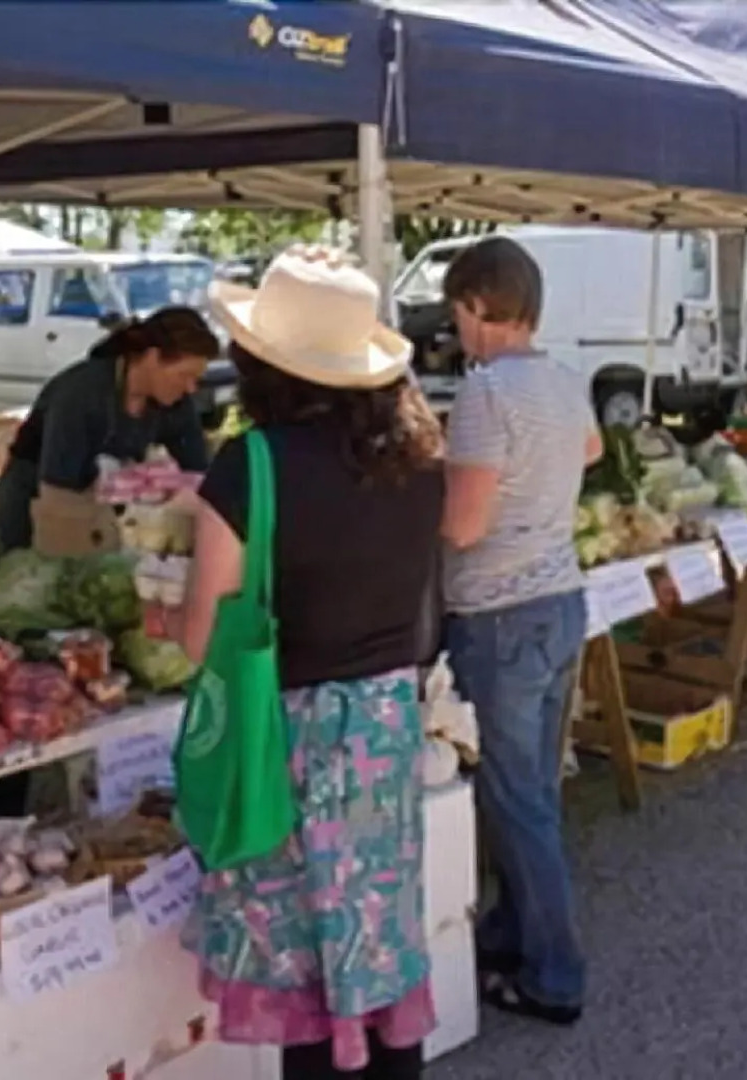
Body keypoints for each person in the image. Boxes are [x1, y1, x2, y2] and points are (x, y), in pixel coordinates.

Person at [181, 247, 445, 1079]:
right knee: (377, 945)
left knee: (301, 971)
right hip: (384, 729)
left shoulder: (250, 465)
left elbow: (201, 639)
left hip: (284, 738)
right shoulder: (418, 460)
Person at [438, 237, 600, 1025]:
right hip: (560, 599)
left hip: (497, 611)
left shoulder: (484, 394)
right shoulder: (564, 382)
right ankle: (513, 926)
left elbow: (463, 527)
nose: (455, 328)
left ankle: (553, 974)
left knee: (513, 797)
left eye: (456, 312)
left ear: (478, 307)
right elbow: (594, 450)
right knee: (530, 789)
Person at [0, 307, 218, 560]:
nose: (190, 388)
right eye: (184, 375)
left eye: (196, 379)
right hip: (37, 503)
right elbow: (59, 492)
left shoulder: (176, 404)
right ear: (152, 357)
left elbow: (198, 474)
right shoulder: (81, 393)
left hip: (101, 511)